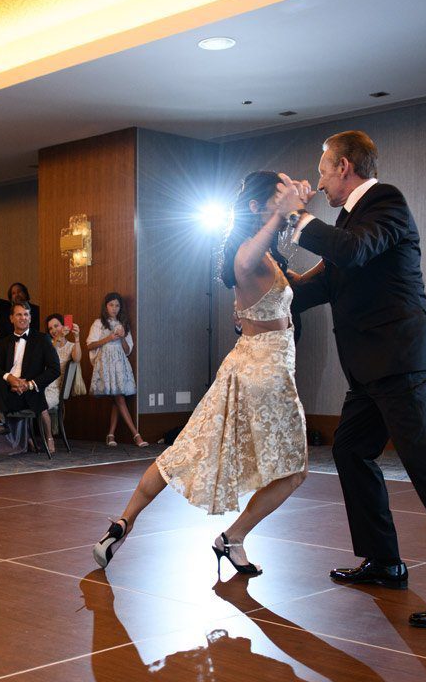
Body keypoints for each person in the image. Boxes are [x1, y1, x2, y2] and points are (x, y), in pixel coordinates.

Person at [284, 130, 426, 628]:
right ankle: (384, 562)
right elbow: (321, 285)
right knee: (351, 450)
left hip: (398, 361)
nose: (317, 179)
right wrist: (256, 280)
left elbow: (352, 253)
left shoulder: (385, 202)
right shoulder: (347, 222)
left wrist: (296, 215)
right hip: (369, 369)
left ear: (345, 167)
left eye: (323, 168)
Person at [92, 172, 315, 576]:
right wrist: (286, 212)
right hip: (266, 373)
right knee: (295, 471)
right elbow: (248, 259)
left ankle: (123, 522)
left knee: (186, 450)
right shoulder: (247, 253)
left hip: (247, 366)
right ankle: (233, 537)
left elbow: (298, 284)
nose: (285, 201)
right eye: (276, 197)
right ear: (256, 208)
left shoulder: (266, 256)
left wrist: (317, 234)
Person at [0, 301, 60, 465]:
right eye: (19, 314)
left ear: (30, 318)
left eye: (26, 314)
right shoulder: (4, 342)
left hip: (30, 394)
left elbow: (55, 369)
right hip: (9, 391)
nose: (23, 318)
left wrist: (29, 384)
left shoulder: (42, 339)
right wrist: (10, 378)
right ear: (11, 318)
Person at [86, 292, 147, 448]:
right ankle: (136, 435)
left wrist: (121, 337)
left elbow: (128, 350)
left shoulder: (123, 324)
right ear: (106, 306)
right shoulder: (99, 323)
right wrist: (109, 338)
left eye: (117, 305)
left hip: (119, 364)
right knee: (118, 398)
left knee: (117, 398)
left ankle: (111, 434)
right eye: (111, 305)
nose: (114, 308)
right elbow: (90, 345)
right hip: (105, 363)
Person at [41, 314, 87, 452]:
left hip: (56, 389)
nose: (54, 330)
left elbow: (77, 358)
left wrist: (77, 337)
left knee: (40, 404)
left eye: (56, 326)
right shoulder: (48, 345)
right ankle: (28, 439)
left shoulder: (71, 346)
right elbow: (46, 358)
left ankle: (49, 438)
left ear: (63, 326)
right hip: (43, 384)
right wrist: (57, 338)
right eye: (50, 328)